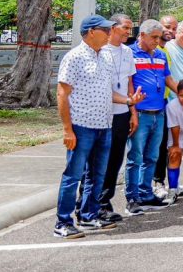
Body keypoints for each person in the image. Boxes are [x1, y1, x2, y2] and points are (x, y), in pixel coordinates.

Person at [54, 15, 145, 239]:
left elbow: (107, 91)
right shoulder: (74, 57)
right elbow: (62, 94)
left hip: (105, 126)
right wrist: (67, 129)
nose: (109, 33)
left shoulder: (104, 57)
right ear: (91, 31)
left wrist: (128, 101)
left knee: (98, 175)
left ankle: (88, 215)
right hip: (81, 126)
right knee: (73, 175)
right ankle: (62, 222)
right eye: (106, 30)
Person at [126, 19, 178, 215]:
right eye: (154, 37)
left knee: (152, 156)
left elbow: (168, 79)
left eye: (159, 37)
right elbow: (128, 83)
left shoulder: (160, 55)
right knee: (135, 157)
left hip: (159, 112)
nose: (158, 41)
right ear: (142, 36)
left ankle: (146, 194)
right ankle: (132, 197)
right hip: (140, 113)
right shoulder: (130, 54)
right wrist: (132, 112)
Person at [96, 13, 137, 222]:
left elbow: (130, 82)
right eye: (125, 28)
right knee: (98, 162)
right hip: (103, 114)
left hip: (122, 114)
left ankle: (105, 203)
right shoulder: (101, 52)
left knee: (115, 161)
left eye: (130, 29)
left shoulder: (128, 52)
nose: (129, 33)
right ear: (112, 27)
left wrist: (133, 112)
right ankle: (89, 205)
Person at [156, 20, 183, 194]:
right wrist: (182, 95)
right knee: (171, 148)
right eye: (182, 32)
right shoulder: (166, 48)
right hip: (172, 105)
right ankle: (161, 183)